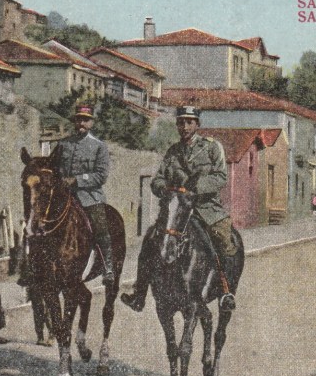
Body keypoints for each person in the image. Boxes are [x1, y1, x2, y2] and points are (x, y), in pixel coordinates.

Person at [121, 105, 238, 312]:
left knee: (224, 240)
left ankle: (225, 292)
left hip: (206, 208)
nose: (184, 126)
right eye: (181, 122)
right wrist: (164, 189)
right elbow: (158, 179)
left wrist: (196, 187)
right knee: (149, 240)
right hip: (176, 210)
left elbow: (220, 177)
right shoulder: (173, 151)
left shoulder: (212, 147)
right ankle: (139, 294)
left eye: (189, 122)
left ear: (197, 125)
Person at [56, 104, 115, 286]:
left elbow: (101, 175)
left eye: (85, 120)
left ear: (91, 123)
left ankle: (108, 267)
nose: (81, 123)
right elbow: (54, 166)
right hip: (65, 195)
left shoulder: (99, 146)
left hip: (89, 197)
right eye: (78, 119)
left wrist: (77, 180)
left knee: (100, 227)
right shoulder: (63, 144)